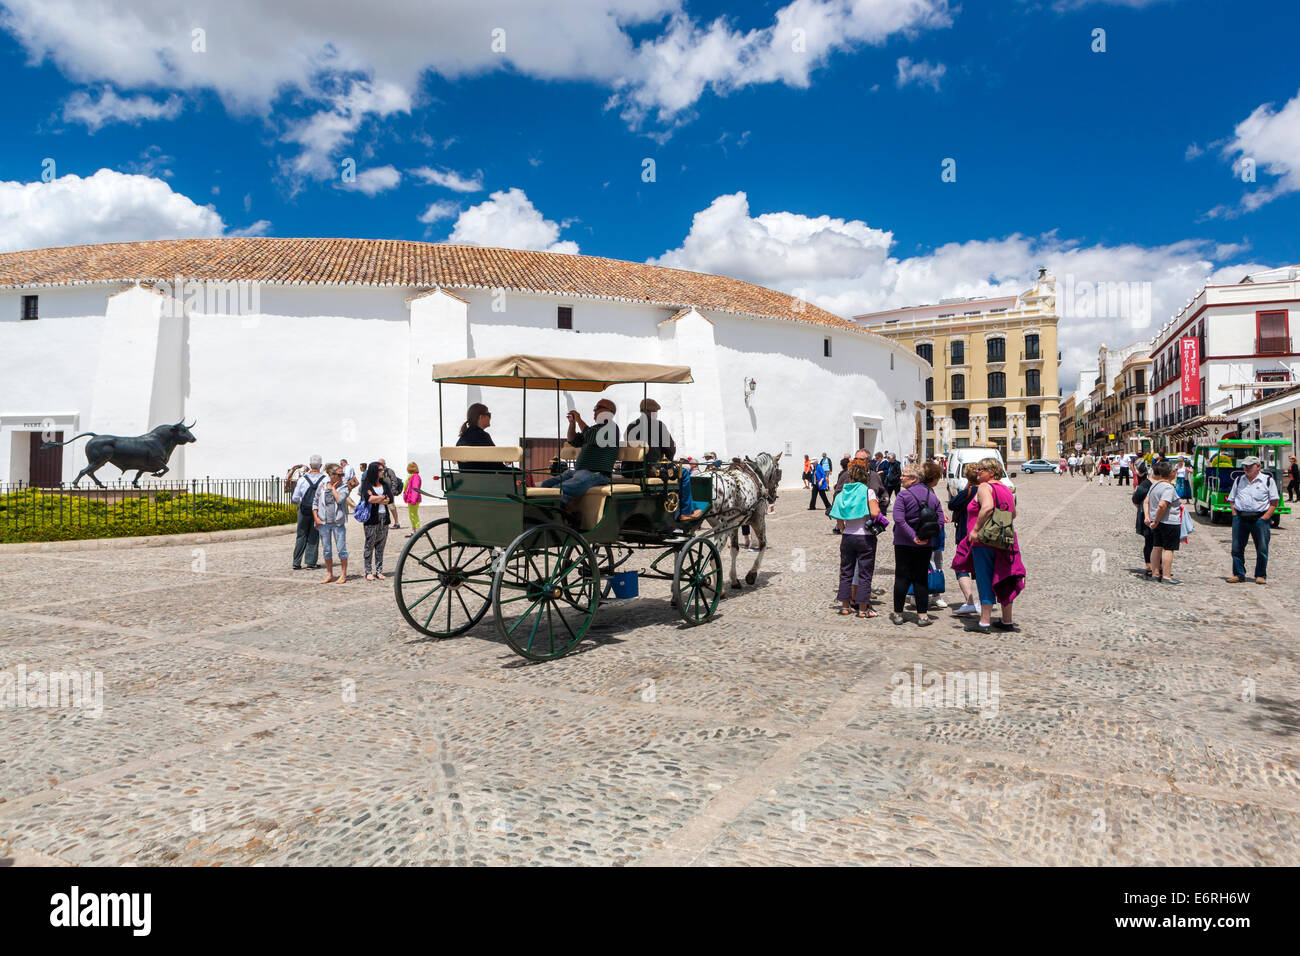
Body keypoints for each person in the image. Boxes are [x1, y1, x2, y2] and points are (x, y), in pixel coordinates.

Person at [955, 457, 1026, 632]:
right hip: (1005, 539)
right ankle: (1007, 621)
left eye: (981, 469)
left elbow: (987, 507)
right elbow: (1013, 513)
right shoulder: (1006, 489)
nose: (978, 471)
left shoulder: (985, 487)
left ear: (991, 472)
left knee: (985, 578)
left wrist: (976, 529)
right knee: (1004, 577)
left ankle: (984, 622)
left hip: (984, 541)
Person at [541, 397, 620, 514]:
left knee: (557, 491)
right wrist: (572, 424)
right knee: (545, 485)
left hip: (597, 473)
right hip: (580, 471)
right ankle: (554, 511)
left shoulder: (611, 427)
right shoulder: (594, 429)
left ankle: (563, 516)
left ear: (609, 412)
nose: (594, 411)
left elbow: (591, 437)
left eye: (597, 408)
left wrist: (579, 419)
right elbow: (573, 440)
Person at [890, 463, 943, 627]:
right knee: (921, 579)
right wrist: (926, 537)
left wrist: (913, 537)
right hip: (925, 545)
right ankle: (922, 615)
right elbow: (940, 520)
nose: (901, 477)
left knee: (902, 578)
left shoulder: (903, 496)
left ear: (913, 478)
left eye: (904, 475)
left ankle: (898, 614)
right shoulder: (932, 496)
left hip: (904, 543)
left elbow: (898, 519)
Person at [830, 461, 880, 618]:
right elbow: (875, 512)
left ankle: (845, 607)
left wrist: (844, 528)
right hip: (865, 537)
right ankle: (863, 609)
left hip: (848, 536)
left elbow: (837, 515)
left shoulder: (842, 493)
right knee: (865, 574)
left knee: (846, 572)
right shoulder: (867, 492)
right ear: (865, 476)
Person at [1227, 454, 1280, 584]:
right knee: (1237, 548)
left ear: (1258, 466)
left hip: (1259, 518)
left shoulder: (1267, 481)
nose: (1246, 468)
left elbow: (1274, 502)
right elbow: (1232, 499)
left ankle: (1261, 575)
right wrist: (1235, 514)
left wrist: (1264, 518)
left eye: (1249, 466)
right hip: (1241, 517)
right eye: (1244, 465)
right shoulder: (1239, 480)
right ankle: (1239, 574)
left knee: (1262, 548)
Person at [947, 463, 980, 614]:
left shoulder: (968, 492)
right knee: (981, 568)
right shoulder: (987, 491)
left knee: (961, 566)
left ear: (967, 477)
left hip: (964, 534)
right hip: (983, 535)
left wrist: (964, 490)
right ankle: (984, 601)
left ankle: (969, 600)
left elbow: (952, 505)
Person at [1145, 459, 1183, 584]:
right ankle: (1166, 576)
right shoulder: (1168, 488)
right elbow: (1162, 505)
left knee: (1156, 547)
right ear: (1171, 473)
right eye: (1175, 471)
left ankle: (1155, 574)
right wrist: (1156, 520)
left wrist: (1149, 518)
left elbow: (1147, 501)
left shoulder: (1154, 484)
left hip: (1157, 522)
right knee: (1168, 549)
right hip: (1169, 521)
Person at [313, 462, 350, 584]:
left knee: (341, 549)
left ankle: (343, 574)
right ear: (330, 474)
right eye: (339, 474)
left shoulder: (343, 486)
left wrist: (333, 488)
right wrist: (316, 518)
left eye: (342, 474)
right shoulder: (322, 485)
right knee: (326, 549)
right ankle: (330, 574)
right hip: (324, 522)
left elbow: (340, 499)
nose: (341, 477)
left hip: (337, 522)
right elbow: (315, 501)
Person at [624, 398, 676, 479]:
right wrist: (670, 461)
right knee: (683, 473)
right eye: (655, 412)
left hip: (629, 471)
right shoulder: (658, 425)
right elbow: (670, 449)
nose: (656, 414)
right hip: (651, 471)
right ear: (648, 411)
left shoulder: (631, 426)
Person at [291, 455, 325, 570]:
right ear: (320, 466)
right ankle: (310, 562)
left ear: (310, 465)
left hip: (304, 509)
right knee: (314, 535)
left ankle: (296, 562)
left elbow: (295, 498)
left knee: (301, 534)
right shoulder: (325, 479)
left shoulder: (302, 479)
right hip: (318, 510)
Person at [361, 462, 394, 581]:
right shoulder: (367, 484)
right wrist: (382, 498)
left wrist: (377, 499)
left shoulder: (384, 484)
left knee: (381, 545)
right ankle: (368, 571)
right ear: (374, 471)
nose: (382, 472)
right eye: (380, 470)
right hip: (371, 519)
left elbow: (389, 499)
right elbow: (368, 498)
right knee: (369, 545)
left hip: (384, 518)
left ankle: (379, 570)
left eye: (383, 469)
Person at [1131, 459, 1154, 578]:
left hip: (1157, 517)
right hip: (1147, 518)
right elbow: (1135, 500)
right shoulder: (1146, 485)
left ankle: (1157, 566)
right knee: (1150, 542)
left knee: (1156, 543)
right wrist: (1143, 510)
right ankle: (1149, 566)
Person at [378, 458, 404, 527]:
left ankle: (397, 522)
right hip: (382, 492)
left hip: (389, 492)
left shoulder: (389, 471)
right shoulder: (378, 471)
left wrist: (392, 491)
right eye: (379, 463)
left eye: (381, 464)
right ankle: (384, 523)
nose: (380, 465)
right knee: (383, 507)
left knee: (391, 507)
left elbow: (394, 481)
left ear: (384, 464)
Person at [403, 462, 424, 534]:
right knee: (412, 514)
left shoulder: (415, 477)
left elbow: (415, 489)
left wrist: (413, 499)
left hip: (413, 499)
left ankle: (418, 530)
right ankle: (414, 529)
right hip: (411, 498)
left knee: (414, 514)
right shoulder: (412, 476)